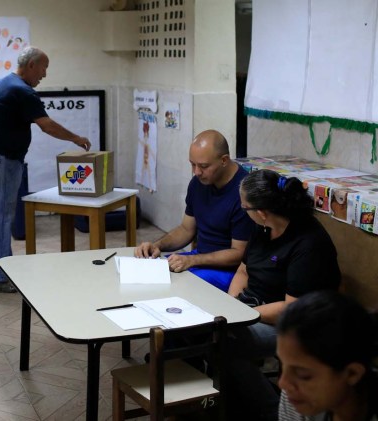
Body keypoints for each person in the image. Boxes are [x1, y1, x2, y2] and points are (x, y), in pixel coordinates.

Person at [225, 169, 341, 420]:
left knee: (225, 343)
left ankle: (271, 412)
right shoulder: (264, 227)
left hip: (293, 324)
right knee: (200, 330)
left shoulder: (309, 244)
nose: (242, 210)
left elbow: (292, 310)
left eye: (244, 206)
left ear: (261, 212)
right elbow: (243, 270)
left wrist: (241, 314)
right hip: (252, 309)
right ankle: (220, 400)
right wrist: (231, 303)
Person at [0, 46, 91, 293]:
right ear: (31, 66)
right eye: (44, 68)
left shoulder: (1, 83)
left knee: (1, 216)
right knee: (1, 217)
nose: (45, 74)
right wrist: (75, 138)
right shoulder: (22, 91)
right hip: (2, 161)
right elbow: (47, 125)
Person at [134, 130, 254, 292]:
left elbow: (239, 254)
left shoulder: (244, 194)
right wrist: (157, 246)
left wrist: (193, 260)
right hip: (200, 258)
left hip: (230, 271)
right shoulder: (198, 183)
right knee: (145, 272)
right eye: (192, 164)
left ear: (224, 160)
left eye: (203, 166)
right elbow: (186, 229)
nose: (196, 172)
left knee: (175, 285)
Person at [277, 291, 378, 421]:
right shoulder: (295, 396)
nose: (283, 383)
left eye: (303, 375)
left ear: (352, 373)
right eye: (282, 364)